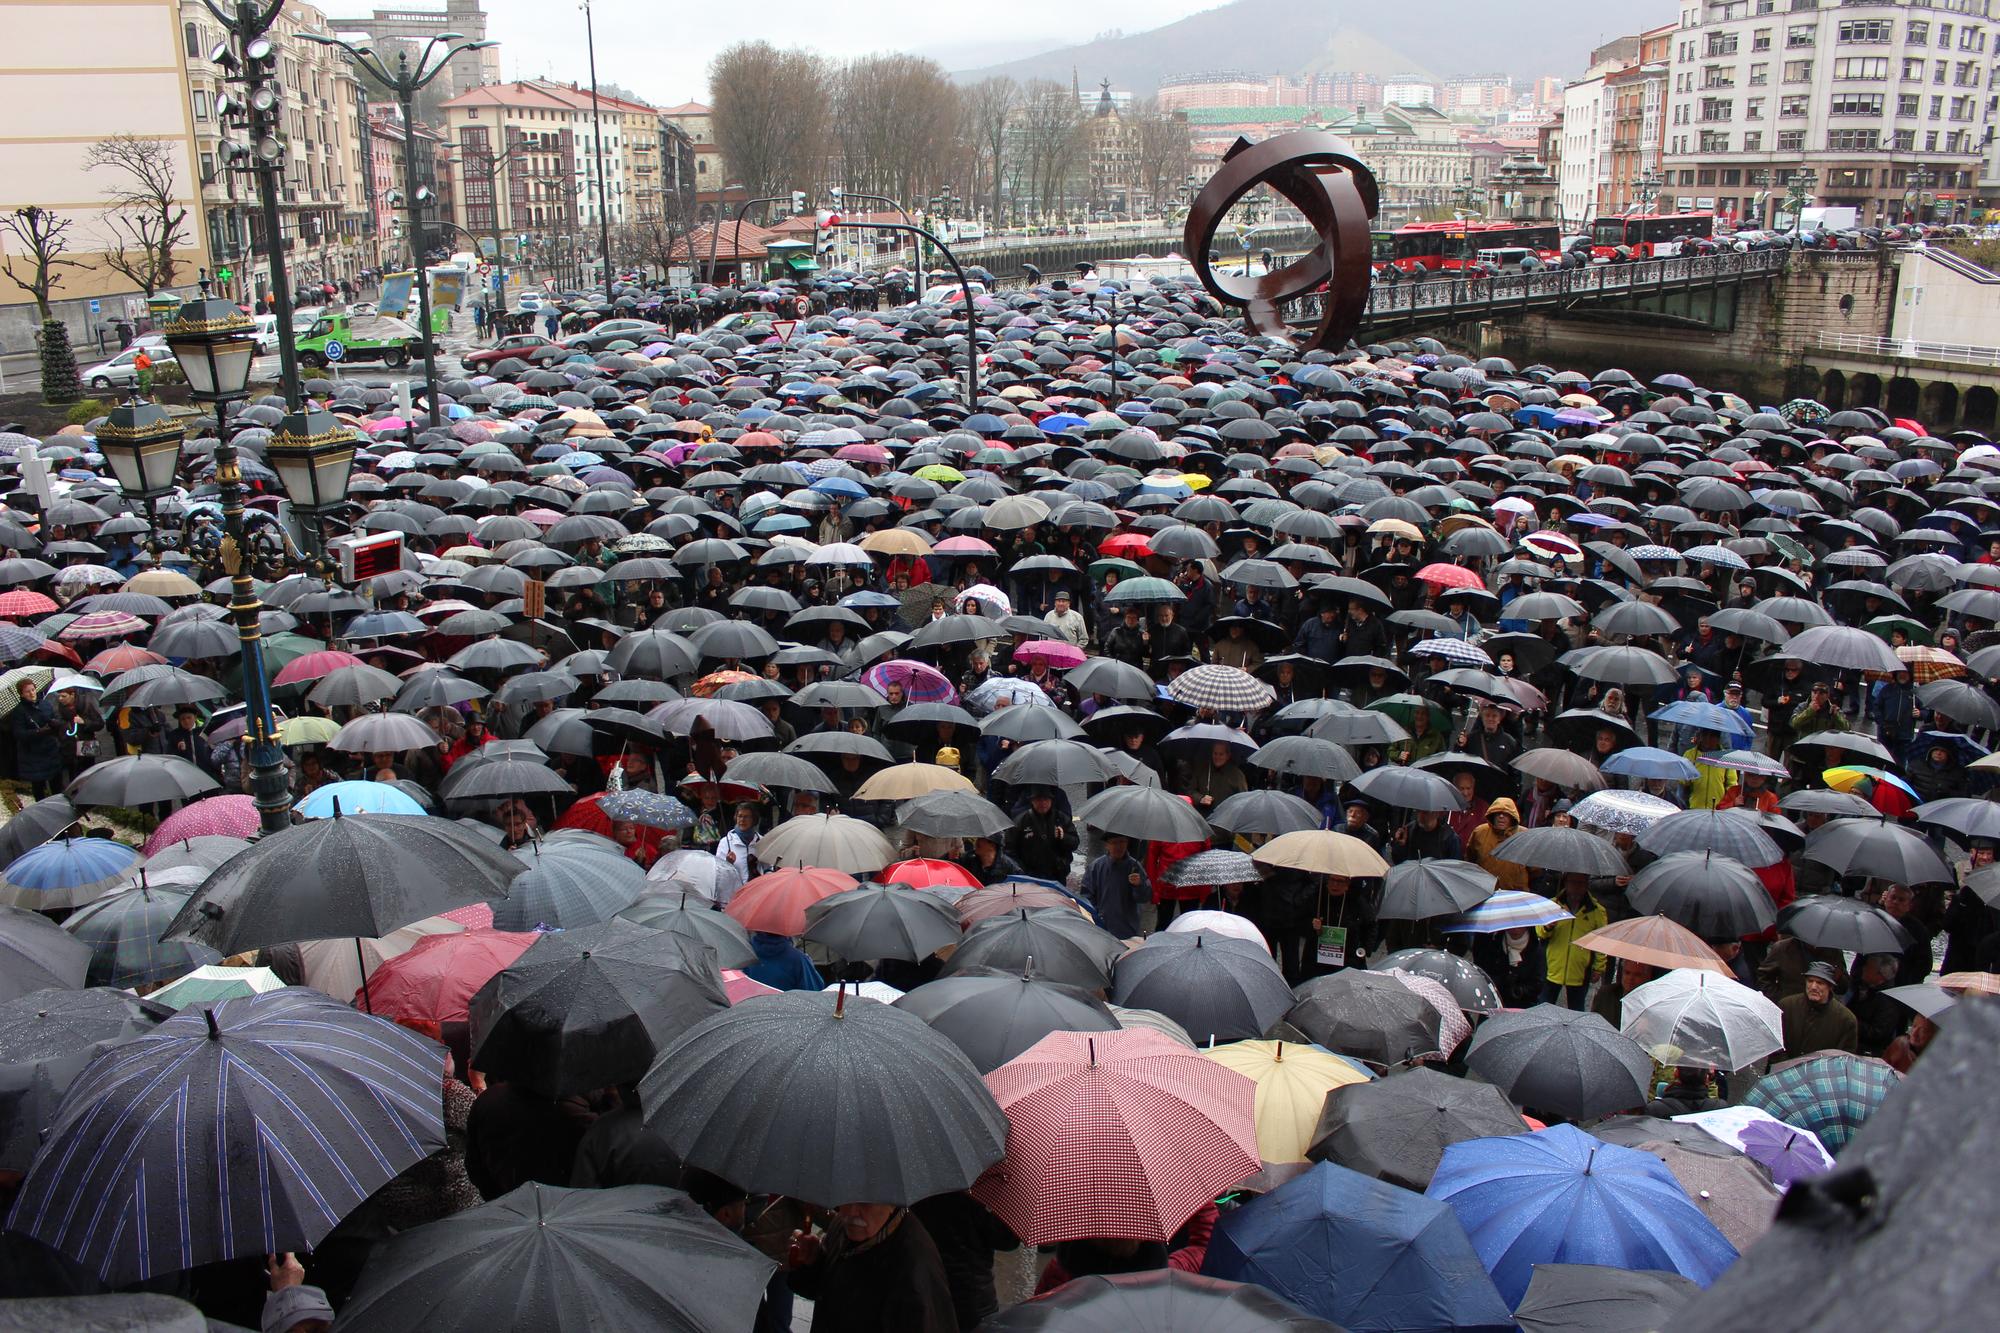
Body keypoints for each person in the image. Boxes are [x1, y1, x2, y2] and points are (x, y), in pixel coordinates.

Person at [786, 1202, 957, 1333]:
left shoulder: (915, 1268)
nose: (851, 1212)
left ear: (892, 1203)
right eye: (848, 1197)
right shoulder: (845, 1227)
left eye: (865, 1203)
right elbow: (830, 1293)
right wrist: (813, 1261)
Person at [1537, 873, 1608, 1009]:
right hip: (1552, 968)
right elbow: (1539, 932)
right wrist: (1548, 926)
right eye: (1573, 882)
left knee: (1576, 1009)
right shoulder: (1552, 905)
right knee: (1543, 1007)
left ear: (1587, 885)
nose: (1576, 887)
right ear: (1565, 883)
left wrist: (1599, 967)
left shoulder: (1596, 911)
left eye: (1581, 883)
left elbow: (1601, 941)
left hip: (1580, 971)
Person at [1779, 961, 1858, 1057]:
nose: (1813, 987)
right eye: (1810, 981)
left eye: (1820, 983)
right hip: (1784, 1068)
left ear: (1830, 986)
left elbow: (1845, 1058)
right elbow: (1776, 1045)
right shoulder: (1786, 1006)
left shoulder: (1846, 1019)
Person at [1082, 833, 1149, 939]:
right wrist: (1096, 916)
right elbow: (1086, 897)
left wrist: (1139, 885)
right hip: (1101, 927)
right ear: (1107, 845)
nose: (1118, 846)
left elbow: (1144, 897)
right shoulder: (1096, 867)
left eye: (1122, 842)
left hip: (1127, 930)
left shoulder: (1135, 867)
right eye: (1114, 843)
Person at [1008, 788, 1079, 882]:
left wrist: (1063, 837)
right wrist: (1022, 871)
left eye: (1046, 799)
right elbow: (1009, 849)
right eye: (1038, 800)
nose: (1042, 803)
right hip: (1030, 878)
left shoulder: (1061, 818)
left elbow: (1075, 843)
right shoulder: (1021, 821)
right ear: (1032, 801)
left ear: (1051, 801)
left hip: (1057, 875)